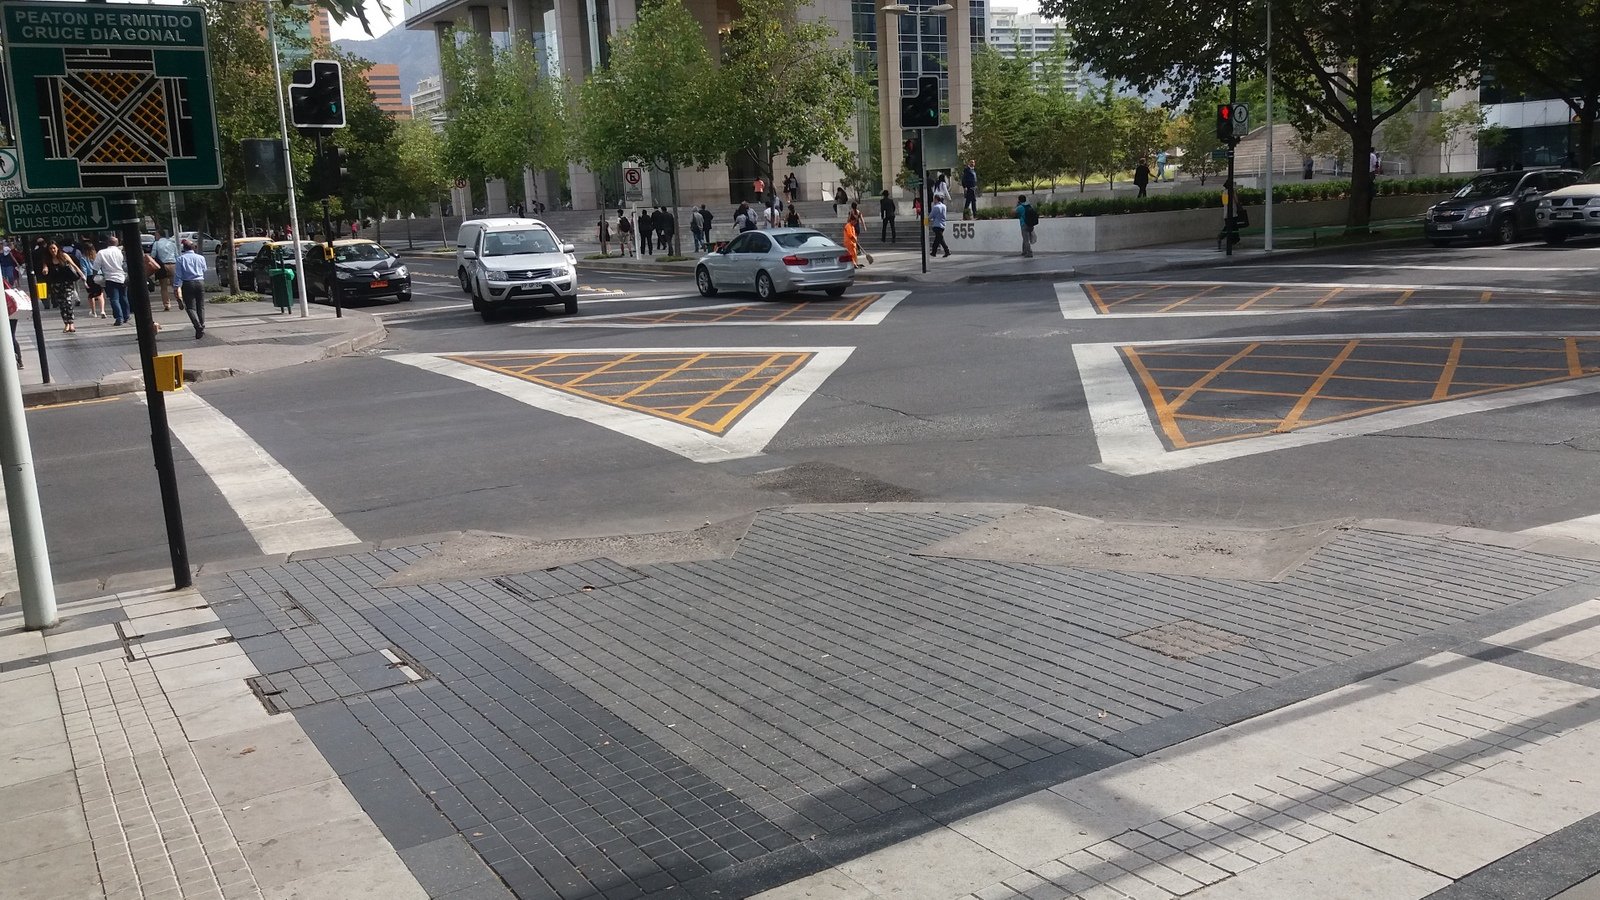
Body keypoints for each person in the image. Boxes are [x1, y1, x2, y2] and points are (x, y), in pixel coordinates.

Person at [42, 240, 83, 332]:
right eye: (50, 249)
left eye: (54, 248)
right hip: (56, 284)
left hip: (67, 283)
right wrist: (45, 269)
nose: (53, 250)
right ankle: (66, 323)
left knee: (68, 302)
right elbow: (45, 267)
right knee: (61, 305)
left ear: (57, 248)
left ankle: (71, 323)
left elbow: (74, 266)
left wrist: (82, 276)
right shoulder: (47, 259)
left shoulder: (64, 256)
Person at [175, 239, 207, 338]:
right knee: (200, 306)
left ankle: (197, 326)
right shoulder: (200, 257)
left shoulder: (180, 259)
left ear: (184, 248)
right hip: (200, 281)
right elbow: (204, 269)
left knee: (190, 307)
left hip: (188, 283)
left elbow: (178, 274)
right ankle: (201, 325)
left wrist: (176, 286)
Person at [98, 234, 129, 326]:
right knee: (123, 297)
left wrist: (95, 276)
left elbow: (96, 266)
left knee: (114, 299)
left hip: (110, 278)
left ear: (107, 243)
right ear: (117, 243)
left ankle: (119, 318)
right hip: (122, 277)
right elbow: (126, 265)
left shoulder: (101, 253)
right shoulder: (121, 252)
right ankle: (126, 315)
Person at [150, 230, 178, 311]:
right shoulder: (172, 243)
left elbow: (153, 255)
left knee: (164, 287)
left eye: (155, 235)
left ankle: (167, 304)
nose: (155, 236)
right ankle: (180, 298)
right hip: (173, 264)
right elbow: (177, 255)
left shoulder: (157, 243)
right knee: (175, 285)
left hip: (162, 266)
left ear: (158, 235)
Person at [81, 238, 105, 319]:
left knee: (91, 295)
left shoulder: (83, 258)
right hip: (99, 275)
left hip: (89, 277)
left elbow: (84, 269)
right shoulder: (97, 256)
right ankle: (102, 311)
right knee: (100, 294)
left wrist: (84, 281)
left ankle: (94, 312)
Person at [929, 194, 950, 258]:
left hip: (937, 225)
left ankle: (947, 251)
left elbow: (931, 216)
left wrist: (926, 220)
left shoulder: (936, 207)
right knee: (937, 239)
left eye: (934, 199)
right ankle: (933, 252)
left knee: (940, 239)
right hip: (943, 224)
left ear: (936, 199)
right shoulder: (944, 206)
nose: (933, 200)